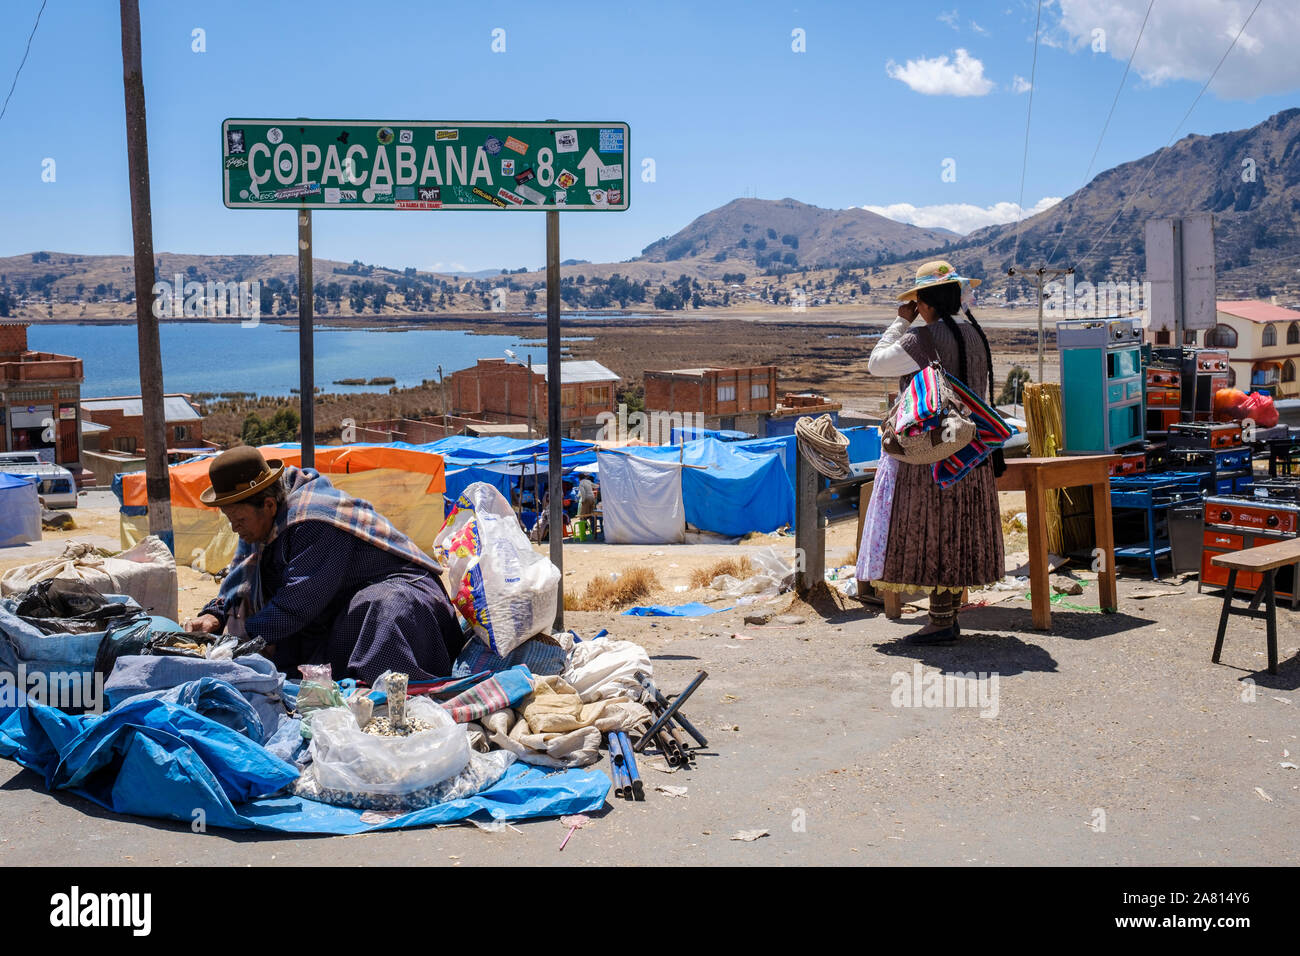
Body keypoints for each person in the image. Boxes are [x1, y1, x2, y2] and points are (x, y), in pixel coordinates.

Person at [183, 446, 465, 683]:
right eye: (230, 519)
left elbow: (295, 606)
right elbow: (243, 580)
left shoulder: (312, 521)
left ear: (268, 505)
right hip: (336, 606)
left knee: (379, 608)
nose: (235, 529)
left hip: (405, 599)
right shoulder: (263, 525)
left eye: (239, 520)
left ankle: (395, 699)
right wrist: (216, 615)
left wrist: (234, 643)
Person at [865, 260, 1004, 644]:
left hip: (932, 453)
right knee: (960, 528)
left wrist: (900, 322)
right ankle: (947, 615)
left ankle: (941, 623)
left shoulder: (921, 339)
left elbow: (876, 363)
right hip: (972, 452)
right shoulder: (975, 337)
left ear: (923, 303)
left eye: (917, 303)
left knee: (935, 529)